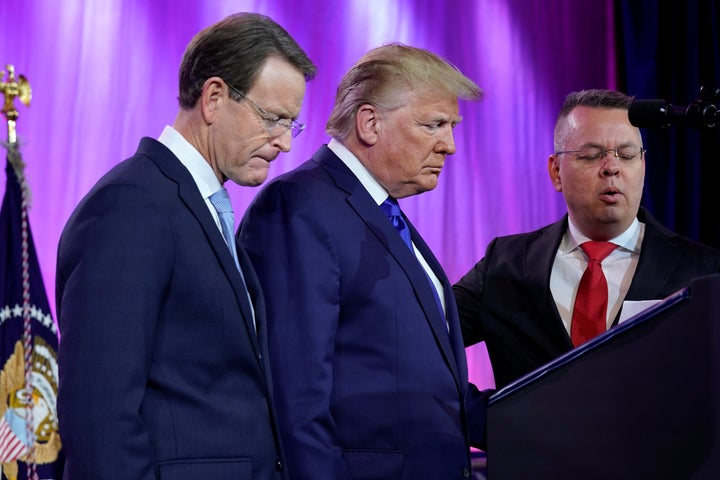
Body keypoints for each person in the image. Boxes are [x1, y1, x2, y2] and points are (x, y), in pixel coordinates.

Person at [55, 13, 316, 479]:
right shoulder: (131, 204)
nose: (284, 144)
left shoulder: (201, 206)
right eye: (274, 118)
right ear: (214, 97)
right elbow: (99, 417)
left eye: (290, 124)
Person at [237, 43, 489, 480]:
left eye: (451, 126)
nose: (448, 145)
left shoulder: (380, 213)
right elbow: (296, 395)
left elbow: (420, 381)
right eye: (434, 125)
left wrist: (544, 425)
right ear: (370, 123)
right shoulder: (299, 206)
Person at [453, 88, 720, 390]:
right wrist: (481, 416)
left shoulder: (704, 270)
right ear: (556, 171)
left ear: (643, 167)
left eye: (627, 154)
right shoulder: (504, 264)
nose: (611, 167)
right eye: (592, 155)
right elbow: (419, 339)